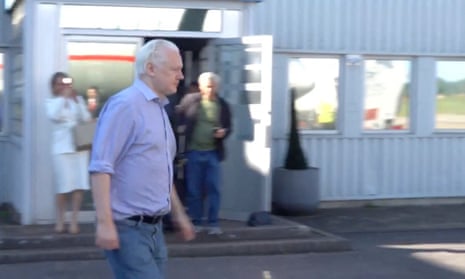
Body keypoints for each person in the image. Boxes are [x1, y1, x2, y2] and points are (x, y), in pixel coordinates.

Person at [88, 39, 195, 279]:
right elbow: (101, 167)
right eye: (174, 69)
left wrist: (178, 214)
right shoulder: (125, 105)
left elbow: (162, 170)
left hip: (154, 230)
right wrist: (105, 223)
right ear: (150, 69)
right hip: (128, 229)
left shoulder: (159, 108)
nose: (181, 75)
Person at [176, 72, 232, 235]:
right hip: (193, 151)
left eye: (213, 86)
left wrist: (224, 132)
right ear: (200, 87)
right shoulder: (190, 101)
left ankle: (213, 223)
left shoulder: (222, 105)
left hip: (213, 152)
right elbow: (178, 118)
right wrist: (181, 133)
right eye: (208, 86)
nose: (211, 89)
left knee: (214, 188)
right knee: (194, 189)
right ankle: (196, 221)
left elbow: (228, 126)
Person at [46, 72, 92, 234]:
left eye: (65, 83)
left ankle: (74, 220)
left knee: (78, 183)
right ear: (54, 86)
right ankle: (60, 220)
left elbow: (86, 119)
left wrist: (77, 102)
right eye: (59, 84)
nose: (63, 87)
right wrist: (64, 98)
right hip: (61, 148)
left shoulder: (77, 100)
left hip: (78, 147)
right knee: (63, 186)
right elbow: (54, 116)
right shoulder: (52, 102)